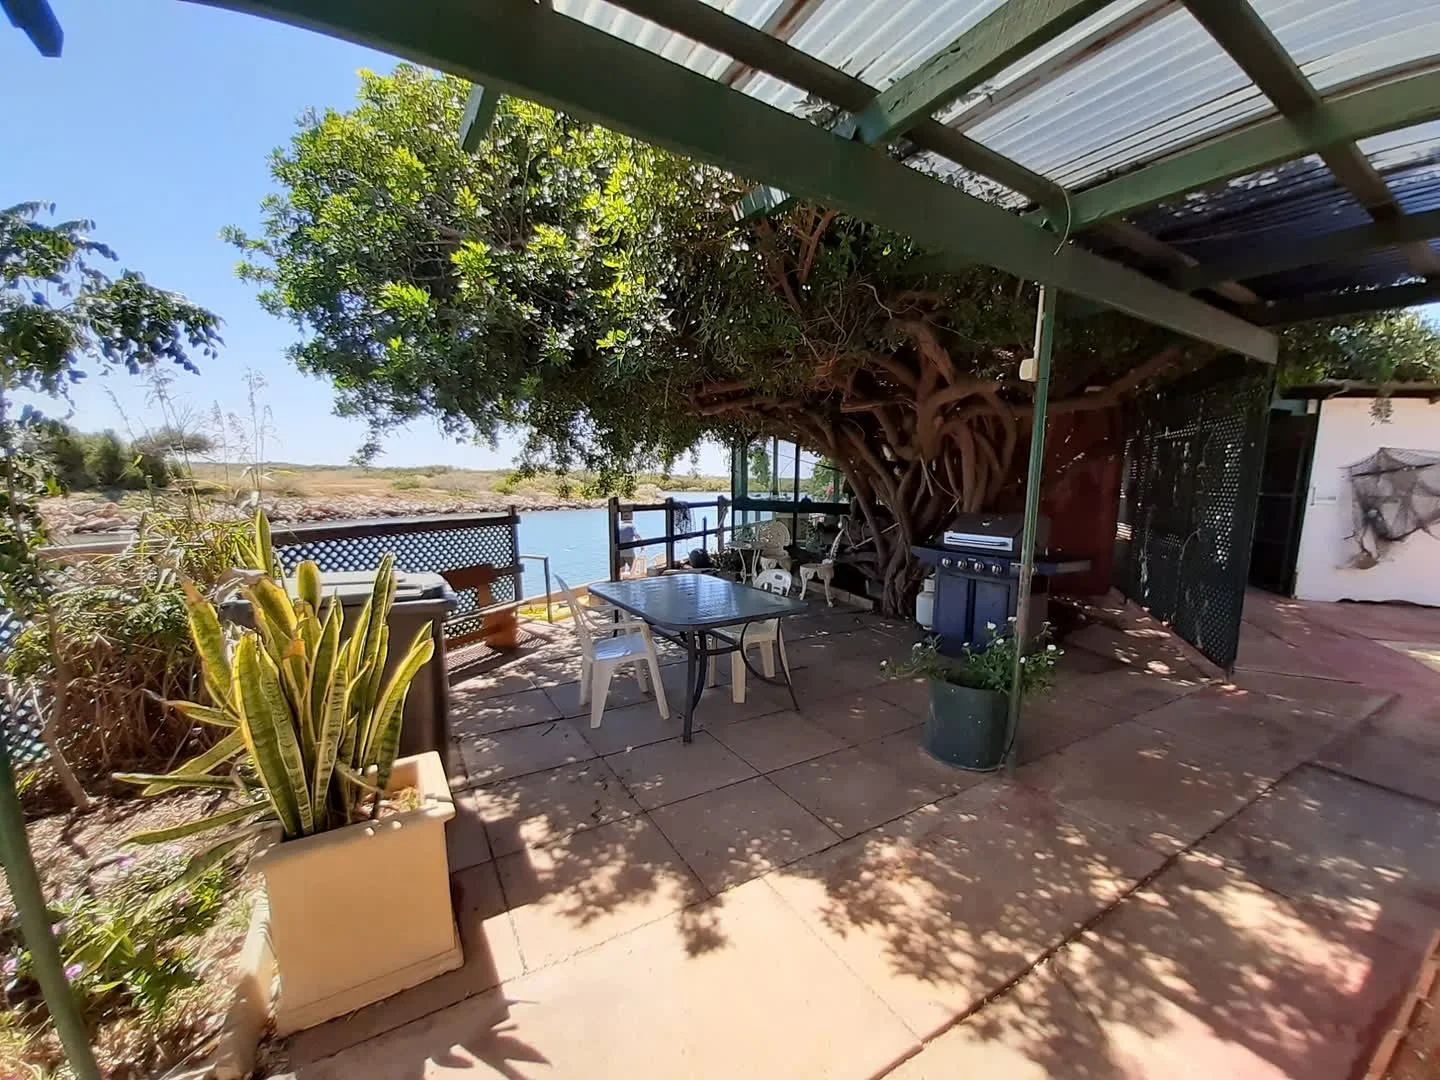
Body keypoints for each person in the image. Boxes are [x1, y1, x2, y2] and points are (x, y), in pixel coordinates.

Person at [617, 511, 642, 575]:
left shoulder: (619, 527)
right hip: (629, 552)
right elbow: (637, 536)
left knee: (621, 569)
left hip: (620, 552)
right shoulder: (631, 526)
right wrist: (642, 545)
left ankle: (621, 581)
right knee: (633, 567)